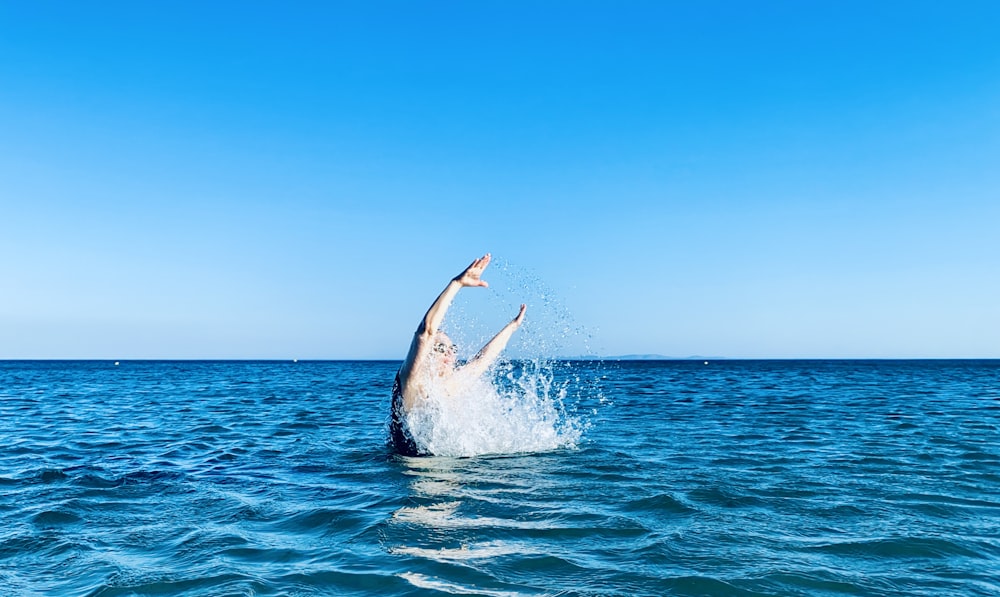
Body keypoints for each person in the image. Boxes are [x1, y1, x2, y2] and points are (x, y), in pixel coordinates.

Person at [390, 253, 526, 456]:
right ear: (425, 355)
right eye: (440, 349)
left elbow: (482, 360)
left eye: (451, 350)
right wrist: (456, 284)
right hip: (414, 474)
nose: (448, 355)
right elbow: (426, 332)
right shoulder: (411, 384)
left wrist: (512, 327)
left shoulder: (449, 386)